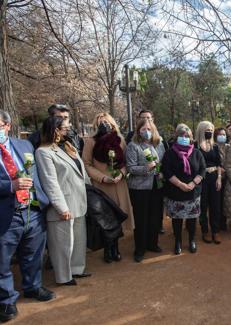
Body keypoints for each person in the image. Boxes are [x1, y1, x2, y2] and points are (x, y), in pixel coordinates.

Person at [0, 111, 55, 322]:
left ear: (7, 125)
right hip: (7, 214)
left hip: (32, 210)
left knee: (33, 253)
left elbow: (36, 174)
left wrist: (42, 200)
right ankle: (6, 301)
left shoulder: (24, 146)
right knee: (3, 260)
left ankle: (33, 287)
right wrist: (10, 186)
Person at [36, 116, 91, 285]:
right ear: (55, 130)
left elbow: (80, 171)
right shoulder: (43, 152)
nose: (68, 131)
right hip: (63, 205)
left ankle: (76, 269)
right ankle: (63, 276)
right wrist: (61, 207)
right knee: (62, 244)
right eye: (65, 128)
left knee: (78, 241)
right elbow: (50, 182)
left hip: (78, 202)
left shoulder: (66, 147)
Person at [82, 112, 133, 263]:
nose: (105, 126)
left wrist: (121, 174)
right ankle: (107, 249)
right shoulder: (90, 142)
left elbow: (126, 162)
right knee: (105, 218)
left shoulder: (120, 140)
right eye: (101, 124)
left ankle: (115, 248)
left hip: (119, 184)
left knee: (117, 217)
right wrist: (102, 177)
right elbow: (86, 164)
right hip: (102, 186)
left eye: (108, 123)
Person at [125, 119, 165, 262]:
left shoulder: (157, 145)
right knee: (141, 218)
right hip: (140, 187)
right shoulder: (133, 146)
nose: (146, 131)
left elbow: (161, 162)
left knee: (154, 216)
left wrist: (160, 171)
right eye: (143, 129)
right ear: (138, 131)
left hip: (156, 185)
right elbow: (130, 168)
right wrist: (146, 168)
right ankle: (140, 249)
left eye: (149, 129)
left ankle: (152, 244)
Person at [162, 124, 205, 254]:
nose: (184, 138)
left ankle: (191, 240)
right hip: (175, 191)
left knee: (192, 219)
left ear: (191, 138)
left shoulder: (197, 153)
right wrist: (181, 184)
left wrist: (193, 183)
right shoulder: (170, 153)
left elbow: (203, 170)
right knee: (177, 219)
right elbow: (167, 171)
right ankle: (178, 241)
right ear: (176, 137)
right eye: (181, 136)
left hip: (193, 192)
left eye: (187, 136)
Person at [195, 121, 223, 244]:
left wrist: (219, 178)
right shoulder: (195, 146)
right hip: (201, 179)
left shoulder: (215, 146)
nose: (210, 132)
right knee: (203, 205)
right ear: (201, 130)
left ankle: (215, 231)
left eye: (211, 129)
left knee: (215, 205)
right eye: (207, 129)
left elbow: (219, 164)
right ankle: (205, 230)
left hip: (214, 177)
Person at [215, 127, 231, 231]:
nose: (222, 136)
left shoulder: (229, 147)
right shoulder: (213, 147)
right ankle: (217, 223)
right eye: (220, 134)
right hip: (217, 177)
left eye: (224, 134)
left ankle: (224, 222)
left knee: (226, 200)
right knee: (218, 201)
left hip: (228, 177)